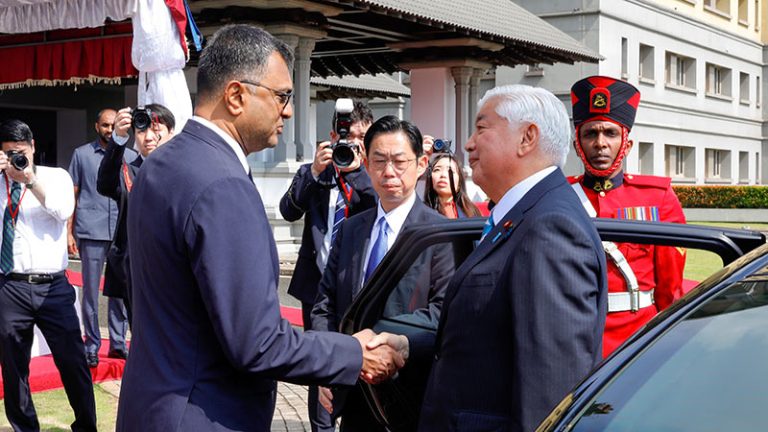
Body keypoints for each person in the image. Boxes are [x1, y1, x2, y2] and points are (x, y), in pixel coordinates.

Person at [115, 24, 406, 432]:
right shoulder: (222, 185)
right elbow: (257, 342)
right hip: (203, 413)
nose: (288, 110)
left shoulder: (164, 162)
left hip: (154, 404)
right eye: (282, 96)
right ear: (236, 95)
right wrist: (354, 355)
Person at [376, 85, 607, 432]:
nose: (468, 144)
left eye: (481, 128)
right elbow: (487, 334)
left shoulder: (550, 228)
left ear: (527, 137)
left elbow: (550, 392)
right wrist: (409, 344)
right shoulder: (521, 216)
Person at [312, 115, 454, 431]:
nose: (388, 172)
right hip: (353, 392)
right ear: (366, 162)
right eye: (378, 161)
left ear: (421, 164)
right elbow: (325, 304)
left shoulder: (442, 234)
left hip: (413, 393)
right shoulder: (351, 230)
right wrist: (328, 364)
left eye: (400, 162)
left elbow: (443, 312)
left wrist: (391, 346)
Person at [568, 76, 686, 357]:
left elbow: (670, 289)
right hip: (574, 337)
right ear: (577, 144)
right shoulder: (560, 195)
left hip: (636, 340)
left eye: (610, 133)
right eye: (590, 133)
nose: (600, 144)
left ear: (627, 145)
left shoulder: (658, 198)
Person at [279, 100, 377, 432]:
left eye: (360, 139)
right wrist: (315, 174)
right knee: (318, 362)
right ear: (333, 135)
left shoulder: (372, 176)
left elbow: (377, 211)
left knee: (360, 357)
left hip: (360, 286)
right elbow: (288, 211)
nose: (350, 145)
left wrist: (360, 171)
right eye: (345, 137)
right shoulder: (315, 170)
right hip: (316, 286)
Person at [0, 120, 97, 432]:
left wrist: (29, 180)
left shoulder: (55, 176)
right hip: (9, 286)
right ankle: (24, 427)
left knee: (73, 362)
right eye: (8, 154)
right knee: (14, 367)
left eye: (20, 153)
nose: (15, 159)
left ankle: (86, 425)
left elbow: (62, 210)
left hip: (53, 286)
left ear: (32, 147)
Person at [96, 104, 176, 325]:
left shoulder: (187, 170)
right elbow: (105, 185)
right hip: (137, 274)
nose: (148, 137)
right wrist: (118, 138)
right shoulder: (129, 171)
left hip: (177, 272)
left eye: (156, 129)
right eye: (141, 131)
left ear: (171, 132)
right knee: (142, 339)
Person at [67, 108, 130, 366]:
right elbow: (73, 192)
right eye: (105, 125)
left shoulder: (130, 154)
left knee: (119, 291)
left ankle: (118, 343)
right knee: (91, 293)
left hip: (119, 231)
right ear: (97, 127)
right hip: (90, 229)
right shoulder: (81, 155)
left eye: (113, 125)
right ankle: (91, 344)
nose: (109, 129)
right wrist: (68, 232)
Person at [423, 153, 481, 218]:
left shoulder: (471, 212)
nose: (443, 175)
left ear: (459, 183)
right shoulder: (421, 212)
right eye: (437, 170)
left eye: (450, 171)